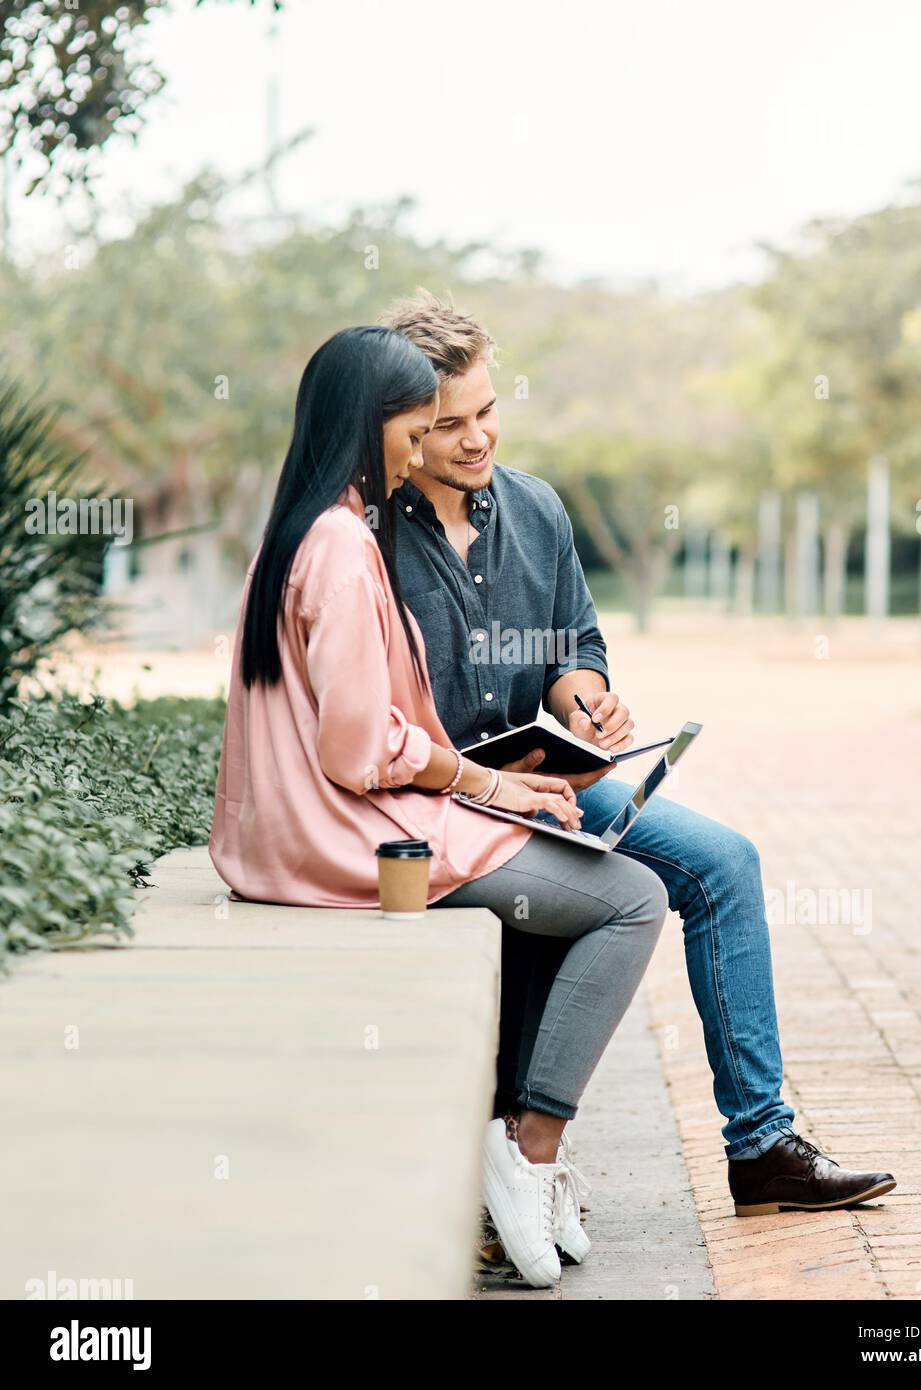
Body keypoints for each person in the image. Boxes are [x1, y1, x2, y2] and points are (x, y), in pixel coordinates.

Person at [381, 292, 898, 1218]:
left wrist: (586, 700)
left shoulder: (537, 511)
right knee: (589, 899)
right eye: (448, 424)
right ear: (405, 427)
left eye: (487, 412)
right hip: (452, 803)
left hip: (559, 782)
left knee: (726, 864)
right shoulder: (367, 538)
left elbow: (577, 647)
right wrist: (504, 777)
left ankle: (762, 1146)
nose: (475, 439)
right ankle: (520, 1156)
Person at [208, 325, 669, 1287]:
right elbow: (354, 744)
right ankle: (528, 1146)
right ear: (371, 427)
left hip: (307, 836)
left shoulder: (302, 527)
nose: (426, 452)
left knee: (576, 842)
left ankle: (526, 1150)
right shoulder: (340, 544)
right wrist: (488, 784)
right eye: (417, 430)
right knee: (630, 899)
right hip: (355, 842)